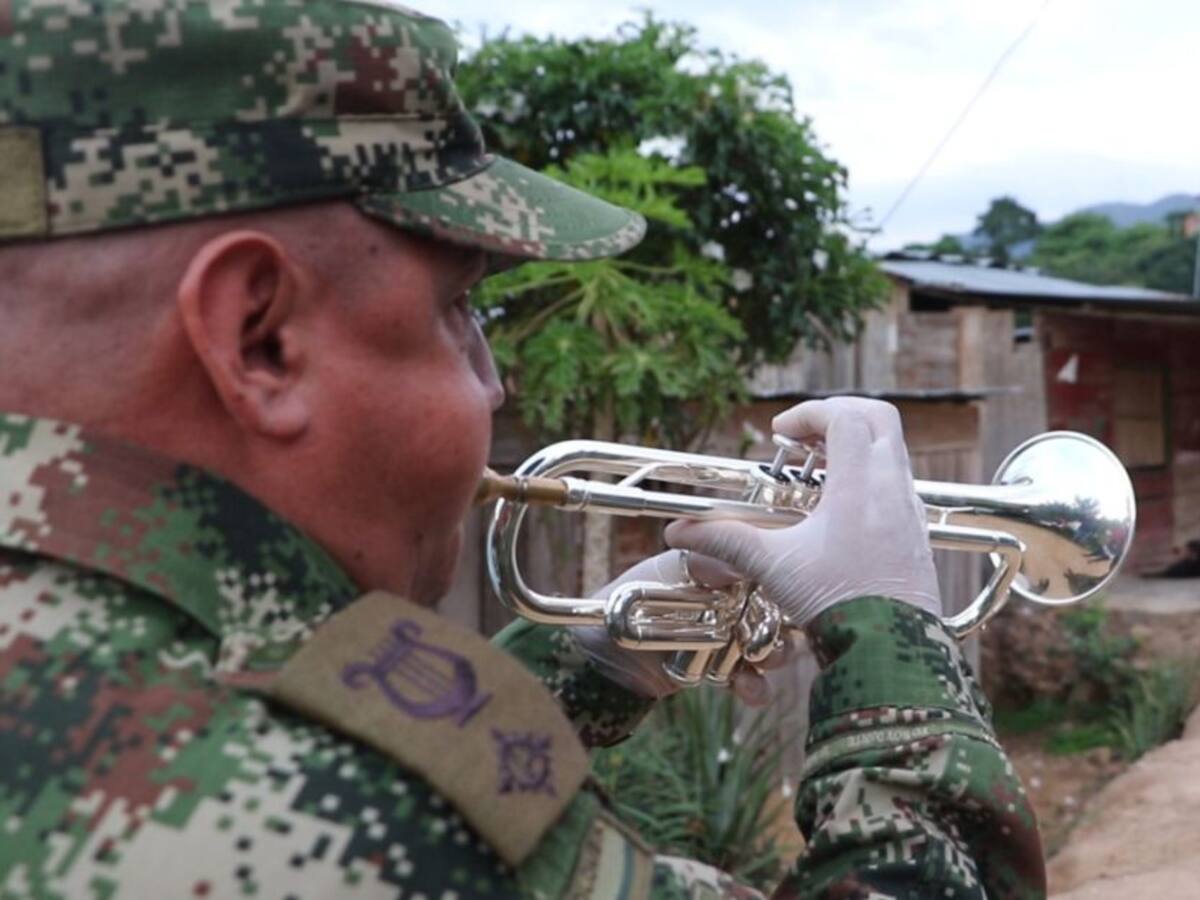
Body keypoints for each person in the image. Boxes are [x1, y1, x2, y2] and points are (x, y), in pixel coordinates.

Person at [0, 1, 1045, 897]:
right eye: (458, 308)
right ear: (258, 338)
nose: (493, 384)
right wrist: (896, 645)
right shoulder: (353, 817)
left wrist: (595, 665)